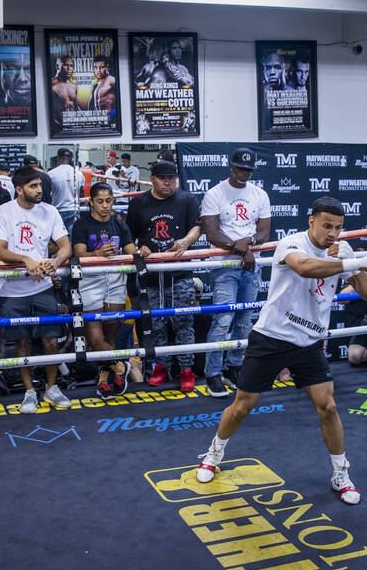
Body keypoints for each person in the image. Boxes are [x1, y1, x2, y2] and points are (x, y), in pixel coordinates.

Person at [194, 197, 367, 505]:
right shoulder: (291, 244)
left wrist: (356, 261)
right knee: (242, 406)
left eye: (338, 227)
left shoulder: (341, 250)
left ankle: (341, 473)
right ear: (311, 221)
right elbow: (305, 268)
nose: (333, 233)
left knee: (329, 408)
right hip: (271, 337)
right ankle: (213, 454)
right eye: (327, 225)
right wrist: (350, 263)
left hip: (309, 342)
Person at [0, 166, 73, 415]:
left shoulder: (50, 211)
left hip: (42, 286)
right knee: (21, 342)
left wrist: (55, 262)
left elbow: (65, 246)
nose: (40, 190)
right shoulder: (5, 211)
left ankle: (51, 387)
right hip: (13, 289)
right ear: (19, 189)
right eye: (33, 186)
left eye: (40, 185)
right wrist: (27, 259)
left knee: (50, 340)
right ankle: (28, 391)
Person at [201, 147, 271, 397]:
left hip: (251, 265)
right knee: (222, 320)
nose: (244, 173)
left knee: (244, 321)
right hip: (224, 267)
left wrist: (248, 243)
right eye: (240, 168)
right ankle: (212, 374)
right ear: (231, 167)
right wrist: (242, 250)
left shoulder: (260, 194)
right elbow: (211, 233)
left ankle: (234, 367)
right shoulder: (215, 193)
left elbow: (264, 233)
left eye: (248, 170)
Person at [127, 160, 202, 391]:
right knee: (156, 323)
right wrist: (141, 250)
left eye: (172, 178)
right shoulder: (139, 202)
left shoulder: (186, 199)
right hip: (151, 274)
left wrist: (187, 241)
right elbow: (129, 237)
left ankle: (187, 369)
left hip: (180, 272)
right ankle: (160, 366)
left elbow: (197, 227)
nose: (168, 183)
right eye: (163, 179)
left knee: (184, 322)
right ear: (152, 179)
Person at [71, 183, 138, 398]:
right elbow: (79, 255)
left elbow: (131, 251)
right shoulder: (81, 224)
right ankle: (120, 366)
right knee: (94, 338)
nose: (105, 205)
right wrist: (98, 253)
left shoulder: (119, 225)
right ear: (91, 202)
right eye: (100, 201)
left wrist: (140, 251)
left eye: (108, 200)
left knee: (111, 334)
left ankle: (103, 379)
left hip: (116, 280)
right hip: (90, 281)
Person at [46, 148, 82, 233]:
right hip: (74, 209)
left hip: (58, 209)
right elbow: (80, 191)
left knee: (58, 239)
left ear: (58, 158)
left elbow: (48, 194)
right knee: (73, 238)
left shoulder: (51, 174)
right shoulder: (78, 173)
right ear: (70, 159)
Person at [51, 53, 78, 127]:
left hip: (72, 124)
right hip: (57, 125)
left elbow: (75, 106)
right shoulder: (52, 84)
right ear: (58, 67)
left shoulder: (74, 86)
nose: (69, 68)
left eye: (71, 66)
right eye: (66, 65)